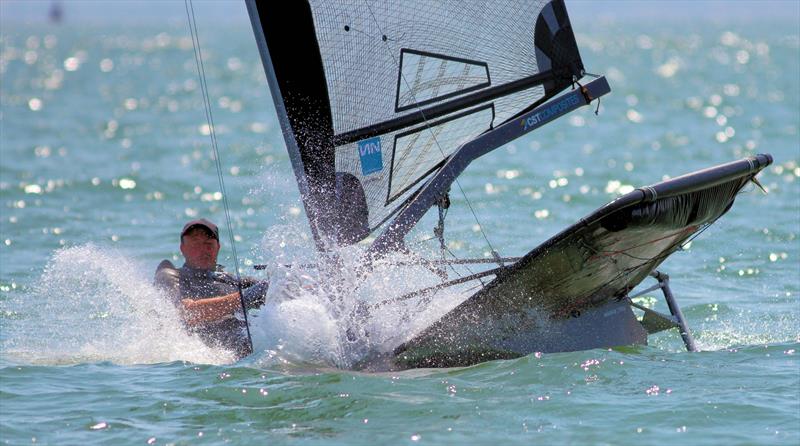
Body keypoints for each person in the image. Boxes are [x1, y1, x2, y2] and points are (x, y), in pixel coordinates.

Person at [154, 218, 268, 359]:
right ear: (182, 248)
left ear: (218, 247)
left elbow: (272, 290)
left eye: (208, 244)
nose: (203, 250)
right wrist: (243, 299)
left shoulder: (232, 280)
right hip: (212, 355)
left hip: (256, 348)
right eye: (195, 244)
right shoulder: (171, 275)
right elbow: (185, 312)